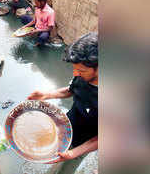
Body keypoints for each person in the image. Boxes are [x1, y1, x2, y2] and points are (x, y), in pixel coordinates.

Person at [27, 33, 98, 173]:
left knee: (63, 170)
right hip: (67, 126)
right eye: (75, 69)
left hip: (83, 143)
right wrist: (45, 95)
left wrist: (73, 153)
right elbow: (72, 90)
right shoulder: (82, 75)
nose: (76, 73)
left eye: (81, 70)